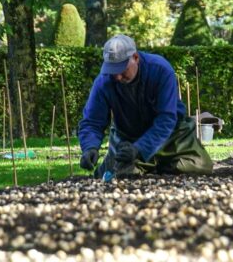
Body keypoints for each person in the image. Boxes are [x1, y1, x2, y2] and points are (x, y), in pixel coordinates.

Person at [78, 34, 212, 177]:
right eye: (112, 69)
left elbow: (166, 119)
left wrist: (141, 149)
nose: (117, 76)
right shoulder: (103, 82)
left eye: (121, 68)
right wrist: (90, 147)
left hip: (172, 134)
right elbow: (92, 121)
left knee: (198, 167)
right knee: (123, 175)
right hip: (129, 138)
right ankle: (127, 166)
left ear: (135, 58)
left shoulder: (160, 70)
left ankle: (161, 165)